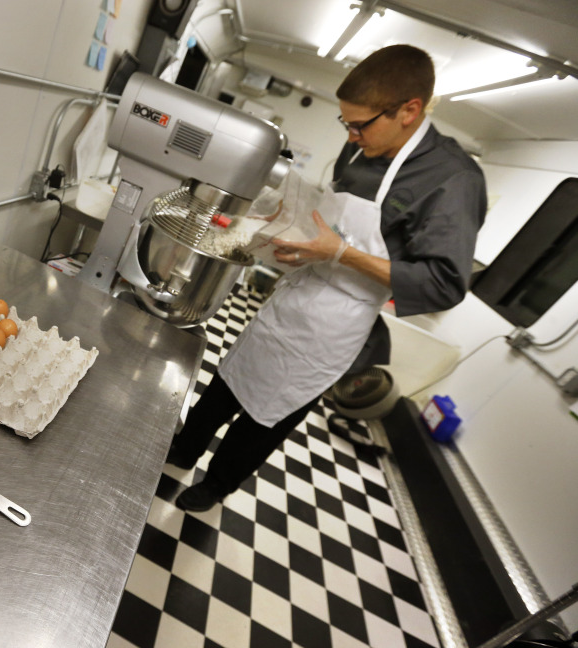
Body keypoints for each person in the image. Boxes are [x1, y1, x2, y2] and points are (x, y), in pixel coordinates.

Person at [167, 44, 487, 512]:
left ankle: (216, 485)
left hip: (337, 323)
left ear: (409, 110)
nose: (352, 136)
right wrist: (293, 235)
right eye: (346, 124)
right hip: (296, 296)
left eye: (360, 125)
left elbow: (443, 284)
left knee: (268, 416)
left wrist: (341, 253)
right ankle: (182, 449)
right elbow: (335, 215)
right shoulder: (360, 148)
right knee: (230, 380)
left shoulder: (453, 180)